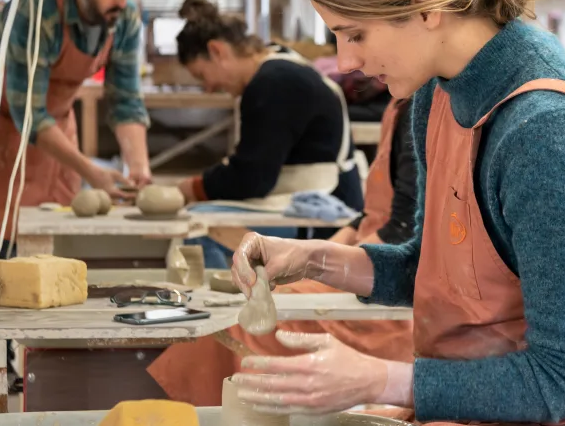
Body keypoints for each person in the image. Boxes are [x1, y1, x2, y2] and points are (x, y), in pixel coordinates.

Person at [226, 0, 565, 425]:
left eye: (356, 34)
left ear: (427, 5)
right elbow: (437, 272)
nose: (346, 61)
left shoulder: (545, 134)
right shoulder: (438, 92)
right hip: (473, 397)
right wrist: (314, 258)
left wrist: (381, 380)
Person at [147, 96, 417, 405]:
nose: (345, 64)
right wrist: (313, 253)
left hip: (391, 288)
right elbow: (374, 213)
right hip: (370, 256)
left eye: (357, 43)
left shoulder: (426, 105)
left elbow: (403, 233)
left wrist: (325, 262)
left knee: (240, 324)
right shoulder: (401, 98)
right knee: (230, 312)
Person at [0, 0, 154, 284]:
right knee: (4, 230)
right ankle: (7, 331)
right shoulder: (35, 13)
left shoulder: (122, 17)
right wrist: (93, 173)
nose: (122, 2)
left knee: (57, 221)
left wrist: (139, 167)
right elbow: (28, 113)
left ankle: (46, 334)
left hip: (52, 114)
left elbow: (125, 99)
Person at [172, 0, 364, 268]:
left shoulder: (274, 82)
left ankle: (219, 305)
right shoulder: (278, 61)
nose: (208, 88)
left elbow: (253, 178)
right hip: (317, 197)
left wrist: (194, 187)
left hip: (324, 211)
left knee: (195, 228)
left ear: (217, 51)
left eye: (203, 75)